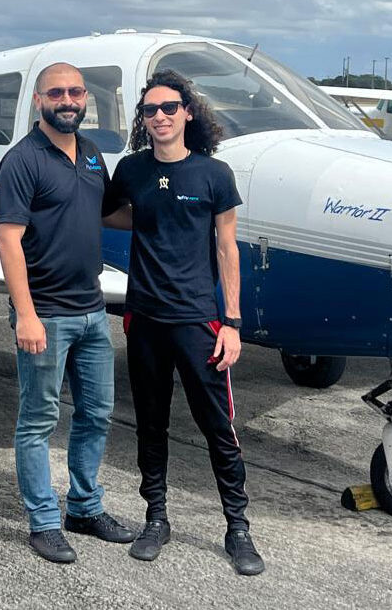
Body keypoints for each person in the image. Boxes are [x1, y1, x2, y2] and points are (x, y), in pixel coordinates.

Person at [102, 69, 265, 576]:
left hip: (198, 322)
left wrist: (232, 322)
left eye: (169, 107)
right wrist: (151, 217)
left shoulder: (214, 174)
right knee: (150, 425)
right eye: (150, 110)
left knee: (218, 427)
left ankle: (238, 529)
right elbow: (110, 214)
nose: (160, 116)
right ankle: (156, 518)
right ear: (143, 119)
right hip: (144, 318)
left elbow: (227, 248)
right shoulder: (131, 169)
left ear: (188, 112)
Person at [0, 62, 135, 563]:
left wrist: (173, 210)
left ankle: (84, 508)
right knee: (38, 420)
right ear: (39, 101)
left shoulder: (92, 153)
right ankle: (44, 522)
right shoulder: (22, 161)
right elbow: (9, 241)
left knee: (96, 414)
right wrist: (26, 315)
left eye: (76, 92)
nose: (69, 100)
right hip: (47, 314)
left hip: (92, 309)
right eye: (56, 93)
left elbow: (108, 212)